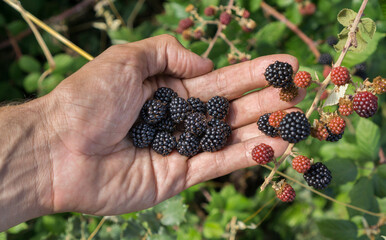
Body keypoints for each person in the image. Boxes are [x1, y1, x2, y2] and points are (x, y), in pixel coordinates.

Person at [0, 34, 305, 232]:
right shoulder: (169, 118)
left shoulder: (186, 120)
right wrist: (49, 132)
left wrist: (45, 136)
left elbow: (190, 123)